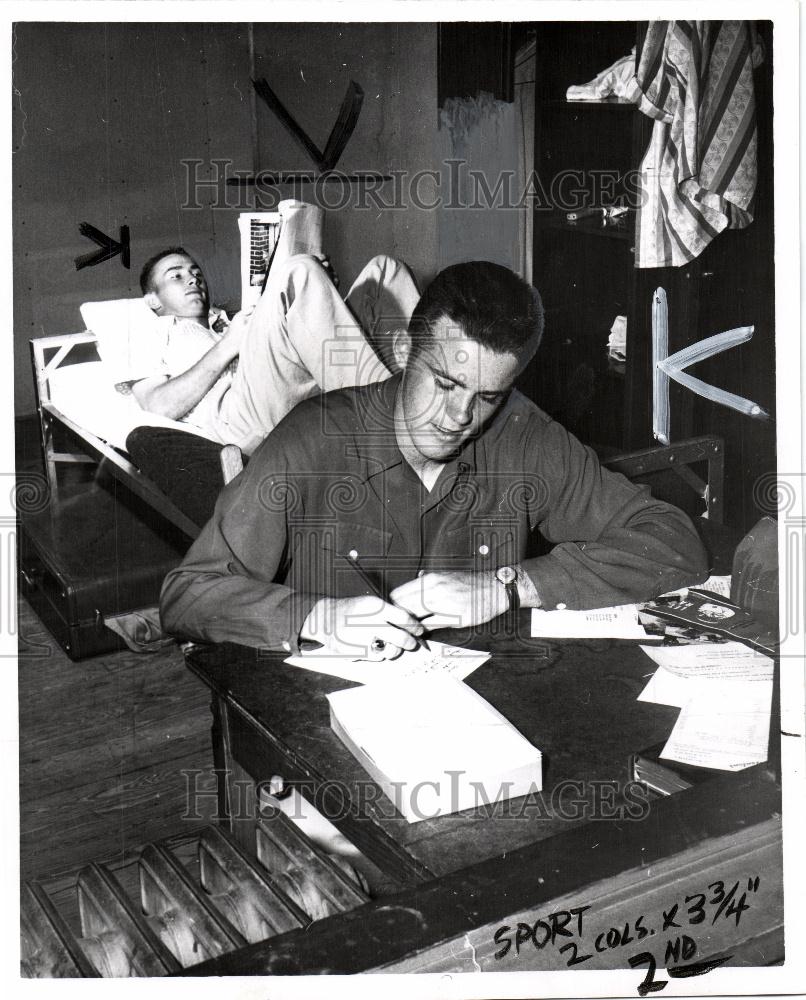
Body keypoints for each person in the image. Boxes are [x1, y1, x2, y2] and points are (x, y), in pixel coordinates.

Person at [160, 261, 708, 658]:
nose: (458, 416)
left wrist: (509, 586)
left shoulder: (523, 434)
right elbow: (188, 594)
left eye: (487, 396)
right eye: (445, 383)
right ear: (403, 354)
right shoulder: (314, 437)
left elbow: (672, 542)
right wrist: (316, 616)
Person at [123, 247, 420, 455]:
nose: (192, 279)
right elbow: (156, 405)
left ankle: (425, 394)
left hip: (290, 389)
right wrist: (230, 344)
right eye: (176, 276)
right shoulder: (151, 330)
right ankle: (391, 425)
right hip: (238, 419)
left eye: (195, 272)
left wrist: (322, 291)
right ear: (152, 300)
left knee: (384, 272)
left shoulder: (227, 319)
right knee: (297, 272)